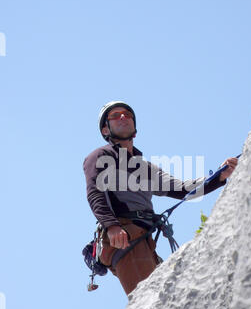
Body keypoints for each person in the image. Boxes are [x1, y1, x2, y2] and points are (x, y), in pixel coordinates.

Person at [83, 101, 238, 295]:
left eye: (127, 114)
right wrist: (111, 226)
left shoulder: (145, 168)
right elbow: (95, 191)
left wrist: (220, 175)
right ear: (106, 130)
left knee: (165, 299)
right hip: (125, 237)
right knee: (148, 301)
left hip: (143, 240)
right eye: (115, 116)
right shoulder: (100, 155)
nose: (123, 117)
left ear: (135, 130)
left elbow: (183, 189)